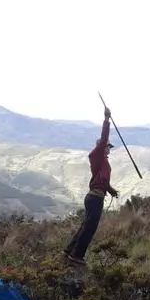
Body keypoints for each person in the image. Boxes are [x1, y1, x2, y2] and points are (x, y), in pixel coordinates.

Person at [64, 107, 119, 265]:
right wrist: (106, 120)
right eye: (108, 146)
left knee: (86, 225)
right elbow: (103, 140)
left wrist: (111, 190)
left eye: (109, 147)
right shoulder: (96, 157)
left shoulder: (104, 163)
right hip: (94, 198)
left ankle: (69, 250)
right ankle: (76, 256)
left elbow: (103, 181)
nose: (109, 148)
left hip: (96, 196)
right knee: (90, 228)